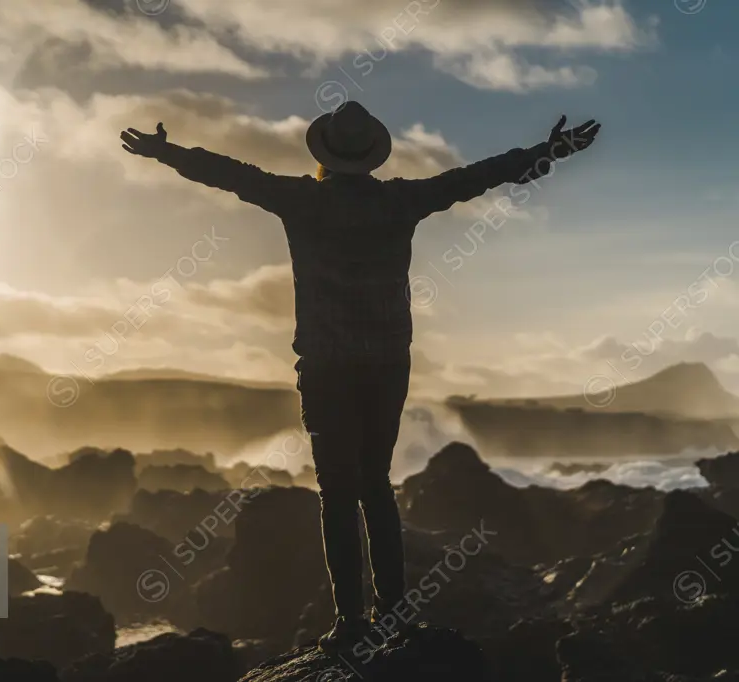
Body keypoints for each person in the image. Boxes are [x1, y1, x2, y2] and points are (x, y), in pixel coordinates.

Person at [120, 102, 600, 650]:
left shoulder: (300, 199)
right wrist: (551, 150)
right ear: (370, 156)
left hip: (326, 367)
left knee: (338, 494)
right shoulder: (401, 201)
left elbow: (231, 175)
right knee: (376, 486)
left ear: (323, 154)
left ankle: (350, 623)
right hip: (387, 363)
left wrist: (166, 152)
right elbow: (477, 178)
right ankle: (393, 616)